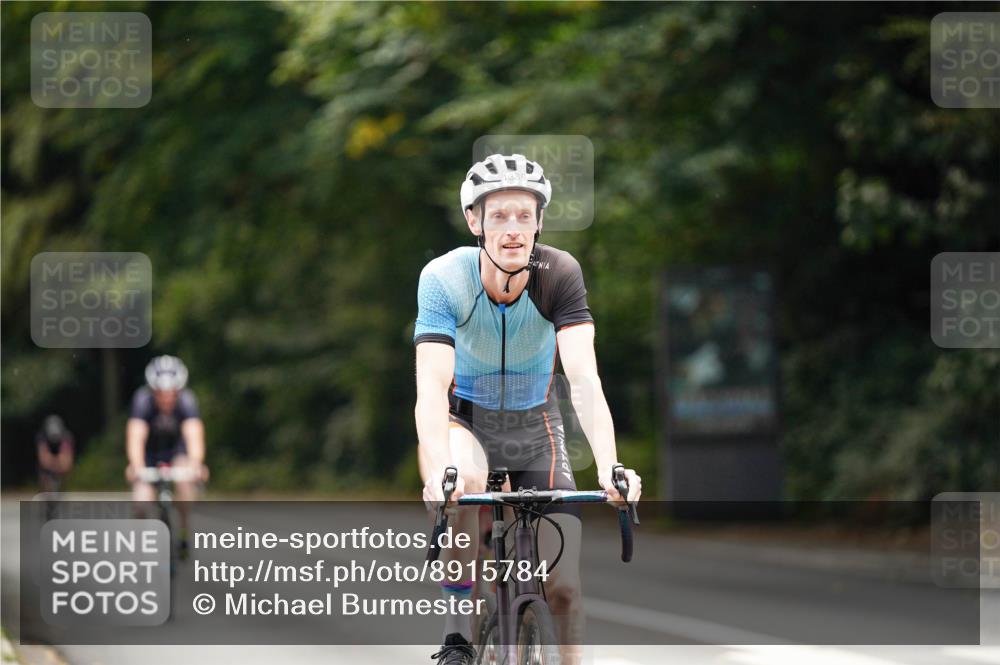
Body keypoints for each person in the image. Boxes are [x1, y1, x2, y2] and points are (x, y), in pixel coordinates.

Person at [415, 153, 642, 665]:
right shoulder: (445, 278)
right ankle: (456, 636)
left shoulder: (558, 273)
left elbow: (584, 379)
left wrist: (610, 467)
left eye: (524, 215)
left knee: (564, 588)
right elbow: (430, 385)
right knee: (466, 484)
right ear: (474, 221)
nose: (513, 229)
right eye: (498, 216)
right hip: (465, 420)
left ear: (539, 221)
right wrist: (439, 470)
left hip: (536, 426)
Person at [126, 355, 207, 556]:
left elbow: (193, 434)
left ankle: (183, 530)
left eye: (172, 393)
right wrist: (135, 465)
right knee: (140, 501)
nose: (166, 398)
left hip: (177, 453)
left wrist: (196, 463)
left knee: (185, 485)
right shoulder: (142, 401)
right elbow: (136, 435)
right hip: (149, 456)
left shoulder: (187, 401)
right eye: (160, 393)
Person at [36, 414, 74, 493]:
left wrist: (59, 466)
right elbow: (43, 459)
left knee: (66, 468)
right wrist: (53, 464)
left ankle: (62, 489)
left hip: (59, 459)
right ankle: (45, 489)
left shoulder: (66, 437)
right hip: (50, 461)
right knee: (43, 470)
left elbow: (67, 461)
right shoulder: (42, 437)